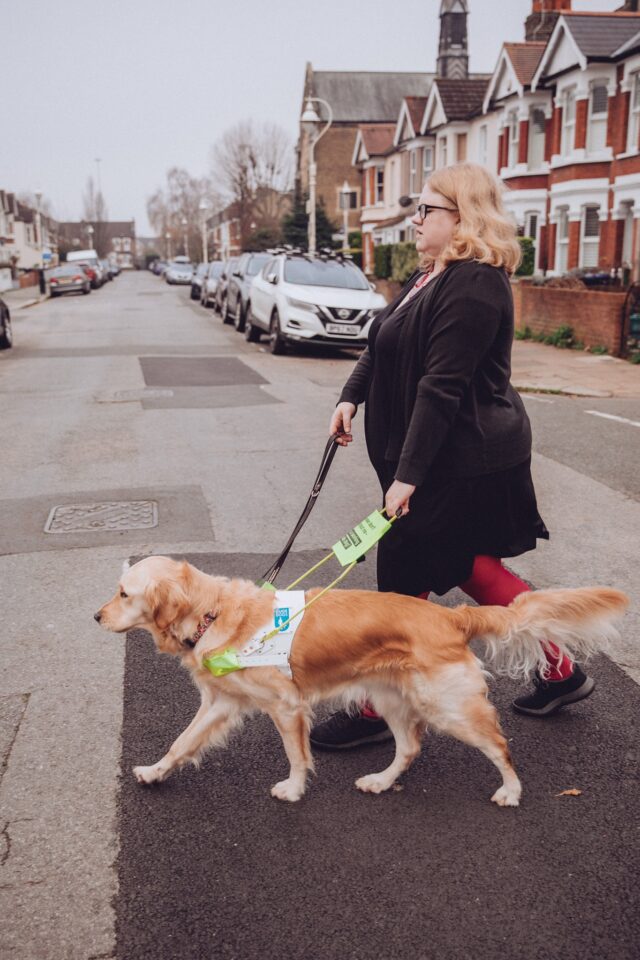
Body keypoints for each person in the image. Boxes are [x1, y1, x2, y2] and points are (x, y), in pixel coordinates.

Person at [310, 162, 595, 751]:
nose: (414, 220)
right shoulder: (431, 274)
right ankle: (561, 672)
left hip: (464, 461)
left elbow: (441, 386)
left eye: (426, 210)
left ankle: (374, 707)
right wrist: (350, 397)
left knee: (404, 578)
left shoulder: (475, 284)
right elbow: (383, 342)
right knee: (468, 567)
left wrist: (408, 477)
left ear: (462, 216)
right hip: (436, 458)